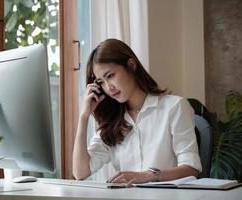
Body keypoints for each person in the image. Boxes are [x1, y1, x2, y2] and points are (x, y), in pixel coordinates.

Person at [72, 38, 201, 185]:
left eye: (110, 76)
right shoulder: (113, 123)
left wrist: (147, 176)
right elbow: (80, 173)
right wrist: (84, 116)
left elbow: (191, 168)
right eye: (101, 82)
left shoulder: (174, 107)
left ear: (131, 65)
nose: (108, 87)